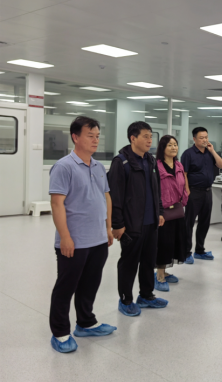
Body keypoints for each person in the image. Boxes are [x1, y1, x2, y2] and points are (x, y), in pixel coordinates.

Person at [49, 116, 116, 353]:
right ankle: (60, 333)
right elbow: (57, 204)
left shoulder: (98, 167)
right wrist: (65, 237)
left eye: (98, 136)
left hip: (98, 238)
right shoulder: (63, 166)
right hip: (74, 240)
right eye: (90, 136)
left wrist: (107, 227)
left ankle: (86, 323)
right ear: (75, 137)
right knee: (66, 287)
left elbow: (106, 197)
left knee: (90, 284)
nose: (96, 140)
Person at [109, 121, 167, 316]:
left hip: (151, 222)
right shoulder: (121, 162)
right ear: (133, 138)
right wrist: (117, 224)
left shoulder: (151, 160)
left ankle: (146, 295)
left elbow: (157, 190)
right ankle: (126, 300)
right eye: (145, 136)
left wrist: (159, 211)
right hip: (132, 224)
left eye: (151, 136)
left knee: (148, 261)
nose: (150, 140)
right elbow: (115, 197)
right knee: (129, 263)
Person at [180, 127, 222, 264]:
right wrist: (187, 190)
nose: (205, 140)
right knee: (189, 223)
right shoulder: (188, 154)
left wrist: (213, 151)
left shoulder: (209, 153)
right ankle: (186, 253)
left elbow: (221, 165)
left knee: (204, 223)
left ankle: (200, 251)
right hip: (194, 192)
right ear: (194, 139)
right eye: (201, 138)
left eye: (206, 137)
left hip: (207, 191)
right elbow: (184, 174)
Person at [154, 135, 188, 292]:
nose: (174, 147)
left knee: (174, 242)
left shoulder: (179, 165)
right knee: (163, 243)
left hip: (177, 209)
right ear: (163, 148)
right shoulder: (156, 166)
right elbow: (154, 190)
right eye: (170, 145)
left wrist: (184, 198)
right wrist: (158, 211)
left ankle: (165, 271)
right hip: (163, 211)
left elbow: (183, 185)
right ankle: (159, 276)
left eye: (175, 144)